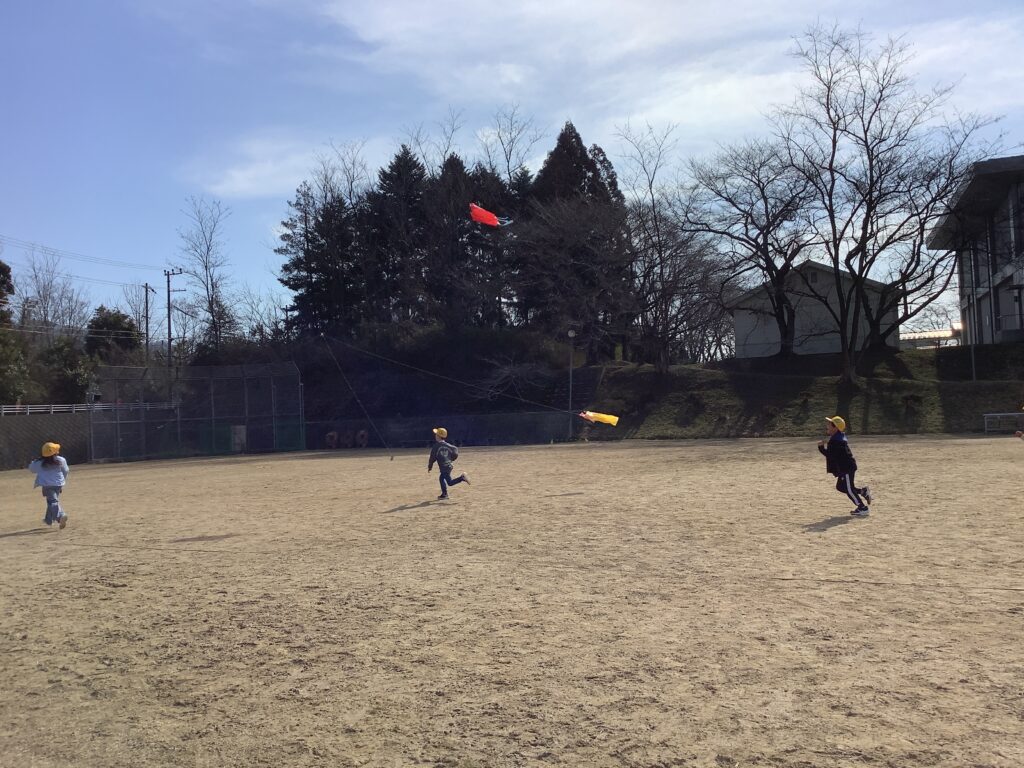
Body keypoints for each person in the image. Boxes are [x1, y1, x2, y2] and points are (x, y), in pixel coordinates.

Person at [817, 416, 872, 517]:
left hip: (846, 468)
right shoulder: (837, 438)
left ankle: (862, 508)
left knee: (849, 489)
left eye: (830, 424)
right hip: (846, 467)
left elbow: (830, 455)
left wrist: (821, 447)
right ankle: (863, 491)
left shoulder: (836, 441)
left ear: (835, 428)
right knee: (841, 487)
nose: (827, 426)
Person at [28, 442, 70, 529]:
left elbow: (31, 469)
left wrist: (33, 462)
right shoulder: (61, 460)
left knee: (52, 501)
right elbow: (66, 470)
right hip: (58, 484)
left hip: (47, 485)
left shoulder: (40, 462)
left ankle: (60, 516)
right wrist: (62, 481)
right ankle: (48, 520)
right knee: (52, 501)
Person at [427, 427, 469, 500]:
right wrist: (451, 459)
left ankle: (461, 478)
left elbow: (432, 458)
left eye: (436, 435)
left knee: (450, 482)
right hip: (449, 465)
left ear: (439, 436)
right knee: (441, 478)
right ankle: (444, 494)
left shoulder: (436, 447)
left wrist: (430, 467)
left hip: (444, 467)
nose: (435, 436)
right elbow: (455, 450)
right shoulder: (448, 445)